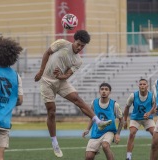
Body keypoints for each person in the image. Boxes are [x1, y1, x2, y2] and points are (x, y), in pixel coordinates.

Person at [34, 30, 112, 158]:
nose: (79, 47)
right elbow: (47, 53)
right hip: (46, 81)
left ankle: (98, 122)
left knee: (77, 98)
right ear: (74, 40)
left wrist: (61, 76)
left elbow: (67, 75)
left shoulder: (78, 61)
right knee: (52, 111)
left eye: (82, 46)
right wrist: (41, 71)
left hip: (61, 82)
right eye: (78, 44)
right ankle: (54, 142)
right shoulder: (62, 43)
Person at [124, 79, 158, 160]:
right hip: (136, 118)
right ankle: (128, 157)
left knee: (156, 135)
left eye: (144, 84)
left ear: (147, 86)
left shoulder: (152, 96)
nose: (142, 86)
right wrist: (125, 120)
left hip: (147, 118)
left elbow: (155, 106)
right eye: (140, 84)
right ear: (138, 86)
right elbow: (127, 107)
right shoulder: (133, 95)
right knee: (132, 133)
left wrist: (149, 113)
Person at [82, 83, 123, 160]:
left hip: (109, 131)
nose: (104, 91)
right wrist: (87, 129)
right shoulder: (94, 103)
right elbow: (92, 117)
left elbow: (121, 120)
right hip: (96, 132)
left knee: (105, 145)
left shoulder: (115, 105)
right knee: (89, 157)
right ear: (99, 91)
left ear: (109, 92)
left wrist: (117, 133)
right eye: (102, 89)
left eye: (106, 89)